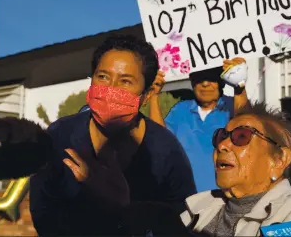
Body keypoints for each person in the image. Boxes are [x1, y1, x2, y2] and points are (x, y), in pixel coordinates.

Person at [29, 35, 197, 236]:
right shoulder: (59, 136)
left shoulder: (165, 150)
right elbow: (43, 211)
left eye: (125, 81)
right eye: (103, 77)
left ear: (146, 95)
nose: (111, 88)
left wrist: (123, 210)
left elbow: (181, 221)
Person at [180, 102, 291, 236]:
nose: (222, 145)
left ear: (278, 160)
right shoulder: (196, 209)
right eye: (221, 136)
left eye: (241, 136)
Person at [149, 59, 249, 192]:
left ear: (221, 82)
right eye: (199, 78)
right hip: (185, 198)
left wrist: (239, 87)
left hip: (225, 198)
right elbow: (159, 138)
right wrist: (154, 95)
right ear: (192, 81)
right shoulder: (180, 110)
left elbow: (247, 127)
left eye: (211, 78)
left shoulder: (232, 107)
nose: (205, 84)